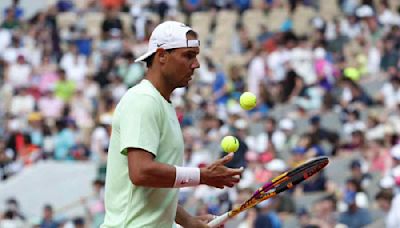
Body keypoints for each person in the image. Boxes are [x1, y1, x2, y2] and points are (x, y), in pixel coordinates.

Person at [101, 21, 243, 228]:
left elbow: (154, 187)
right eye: (188, 55)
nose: (196, 64)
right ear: (161, 56)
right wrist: (202, 176)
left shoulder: (161, 104)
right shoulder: (143, 100)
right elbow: (141, 172)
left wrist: (190, 222)